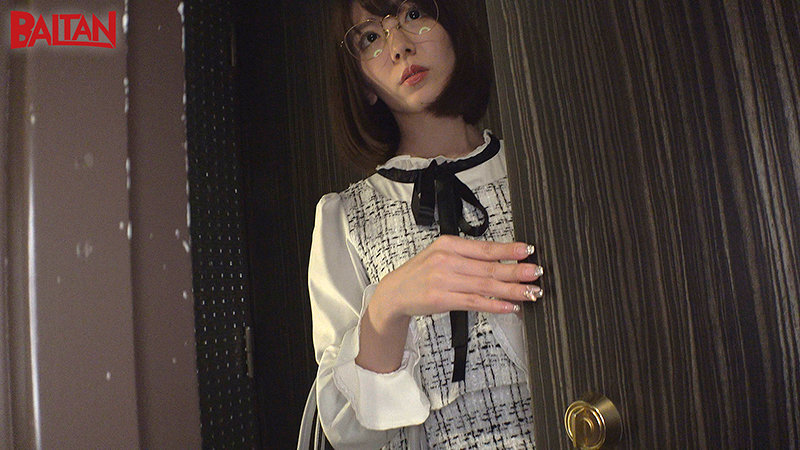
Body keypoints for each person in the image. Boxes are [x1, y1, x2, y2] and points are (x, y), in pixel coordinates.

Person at [308, 0, 543, 447]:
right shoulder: (345, 219)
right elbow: (348, 432)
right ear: (363, 82)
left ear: (451, 25)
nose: (399, 46)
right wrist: (387, 305)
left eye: (413, 14)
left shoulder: (538, 170)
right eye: (371, 37)